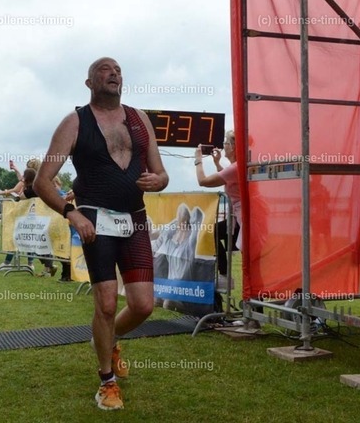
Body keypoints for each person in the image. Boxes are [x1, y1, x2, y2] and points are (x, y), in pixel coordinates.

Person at [33, 57, 168, 411]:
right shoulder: (75, 122)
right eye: (105, 70)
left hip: (135, 219)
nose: (114, 74)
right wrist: (71, 213)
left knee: (143, 305)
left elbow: (162, 173)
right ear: (89, 82)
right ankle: (107, 382)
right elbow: (41, 181)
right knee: (106, 304)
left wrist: (158, 181)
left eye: (118, 70)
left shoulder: (139, 119)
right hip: (95, 221)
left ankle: (107, 341)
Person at [194, 131, 240, 293]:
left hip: (241, 219)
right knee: (213, 231)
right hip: (240, 218)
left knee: (212, 231)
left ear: (234, 147)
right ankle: (225, 274)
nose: (223, 146)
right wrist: (217, 163)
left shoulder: (236, 168)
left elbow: (203, 181)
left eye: (226, 143)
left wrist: (198, 160)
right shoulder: (238, 167)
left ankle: (225, 275)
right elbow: (229, 178)